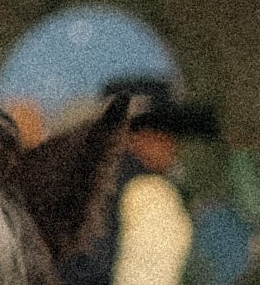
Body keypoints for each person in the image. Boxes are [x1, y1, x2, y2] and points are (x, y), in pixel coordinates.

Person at [63, 78, 219, 285]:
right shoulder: (150, 191)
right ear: (135, 135)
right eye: (165, 134)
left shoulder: (88, 180)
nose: (173, 147)